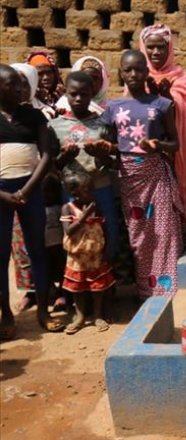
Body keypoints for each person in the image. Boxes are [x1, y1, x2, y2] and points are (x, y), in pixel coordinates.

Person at [101, 50, 183, 298]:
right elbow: (111, 146)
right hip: (129, 178)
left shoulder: (162, 104)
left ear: (147, 72)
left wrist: (157, 145)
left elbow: (175, 143)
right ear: (121, 73)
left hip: (156, 174)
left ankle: (167, 290)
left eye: (139, 69)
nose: (134, 74)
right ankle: (146, 291)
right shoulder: (113, 107)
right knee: (140, 235)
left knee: (164, 233)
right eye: (128, 70)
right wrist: (107, 149)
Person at [1, 64, 65, 337]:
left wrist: (26, 191)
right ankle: (6, 315)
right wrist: (5, 195)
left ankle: (42, 311)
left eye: (20, 83)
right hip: (1, 194)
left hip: (30, 189)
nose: (19, 88)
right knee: (1, 255)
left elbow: (47, 155)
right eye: (11, 84)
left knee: (37, 250)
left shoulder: (34, 116)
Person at [140, 23, 186, 235]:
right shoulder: (137, 77)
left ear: (169, 49)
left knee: (175, 197)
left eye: (161, 47)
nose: (156, 52)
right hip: (147, 153)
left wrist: (169, 98)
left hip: (176, 150)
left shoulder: (181, 78)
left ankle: (181, 241)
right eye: (150, 47)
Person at [52, 71, 119, 262]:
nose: (79, 98)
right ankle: (78, 285)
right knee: (75, 235)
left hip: (101, 187)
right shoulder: (55, 125)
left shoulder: (103, 124)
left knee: (107, 230)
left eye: (84, 94)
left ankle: (106, 282)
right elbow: (53, 165)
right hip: (70, 191)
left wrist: (101, 155)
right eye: (74, 94)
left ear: (92, 94)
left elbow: (114, 162)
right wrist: (65, 157)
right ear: (66, 93)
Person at [60, 171, 115, 334]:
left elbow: (102, 228)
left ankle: (98, 314)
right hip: (77, 257)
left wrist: (105, 248)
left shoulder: (95, 205)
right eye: (86, 190)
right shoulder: (67, 208)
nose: (91, 193)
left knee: (97, 286)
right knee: (78, 288)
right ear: (74, 193)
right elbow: (69, 231)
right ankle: (80, 315)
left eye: (92, 189)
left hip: (95, 255)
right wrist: (82, 217)